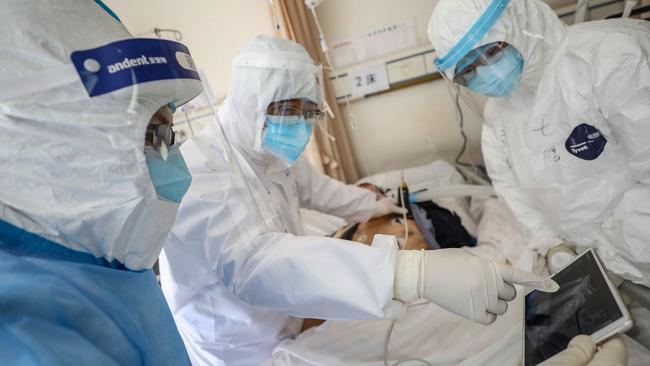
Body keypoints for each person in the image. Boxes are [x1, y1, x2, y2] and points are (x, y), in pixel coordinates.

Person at [159, 35, 554, 365]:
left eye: (308, 112)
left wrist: (375, 207)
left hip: (293, 321)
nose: (299, 123)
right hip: (235, 344)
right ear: (251, 103)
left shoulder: (268, 151)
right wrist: (410, 273)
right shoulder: (202, 173)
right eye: (289, 110)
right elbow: (258, 265)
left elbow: (319, 191)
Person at [0, 0, 204, 364]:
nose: (177, 171)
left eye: (167, 136)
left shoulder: (105, 265)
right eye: (150, 136)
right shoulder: (22, 333)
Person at [427, 0, 650, 283]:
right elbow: (512, 190)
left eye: (492, 52)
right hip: (602, 271)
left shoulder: (612, 57)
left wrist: (612, 254)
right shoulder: (497, 115)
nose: (484, 72)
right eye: (468, 71)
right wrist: (552, 245)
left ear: (521, 22)